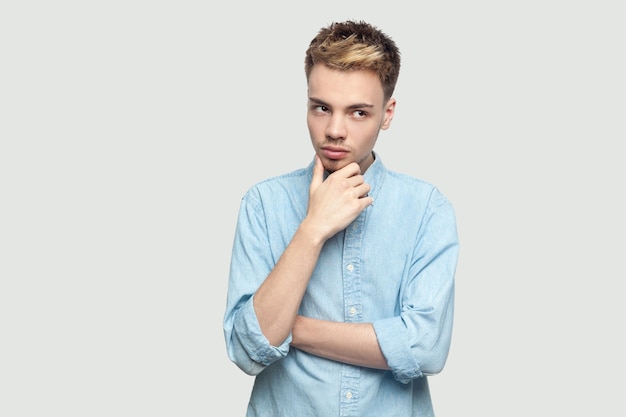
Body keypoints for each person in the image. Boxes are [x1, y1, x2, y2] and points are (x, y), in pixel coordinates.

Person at [223, 20, 459, 417]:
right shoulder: (263, 204)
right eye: (321, 108)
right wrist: (312, 229)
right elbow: (248, 351)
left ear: (387, 114)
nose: (334, 130)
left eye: (358, 113)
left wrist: (289, 328)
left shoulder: (427, 210)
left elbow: (425, 348)